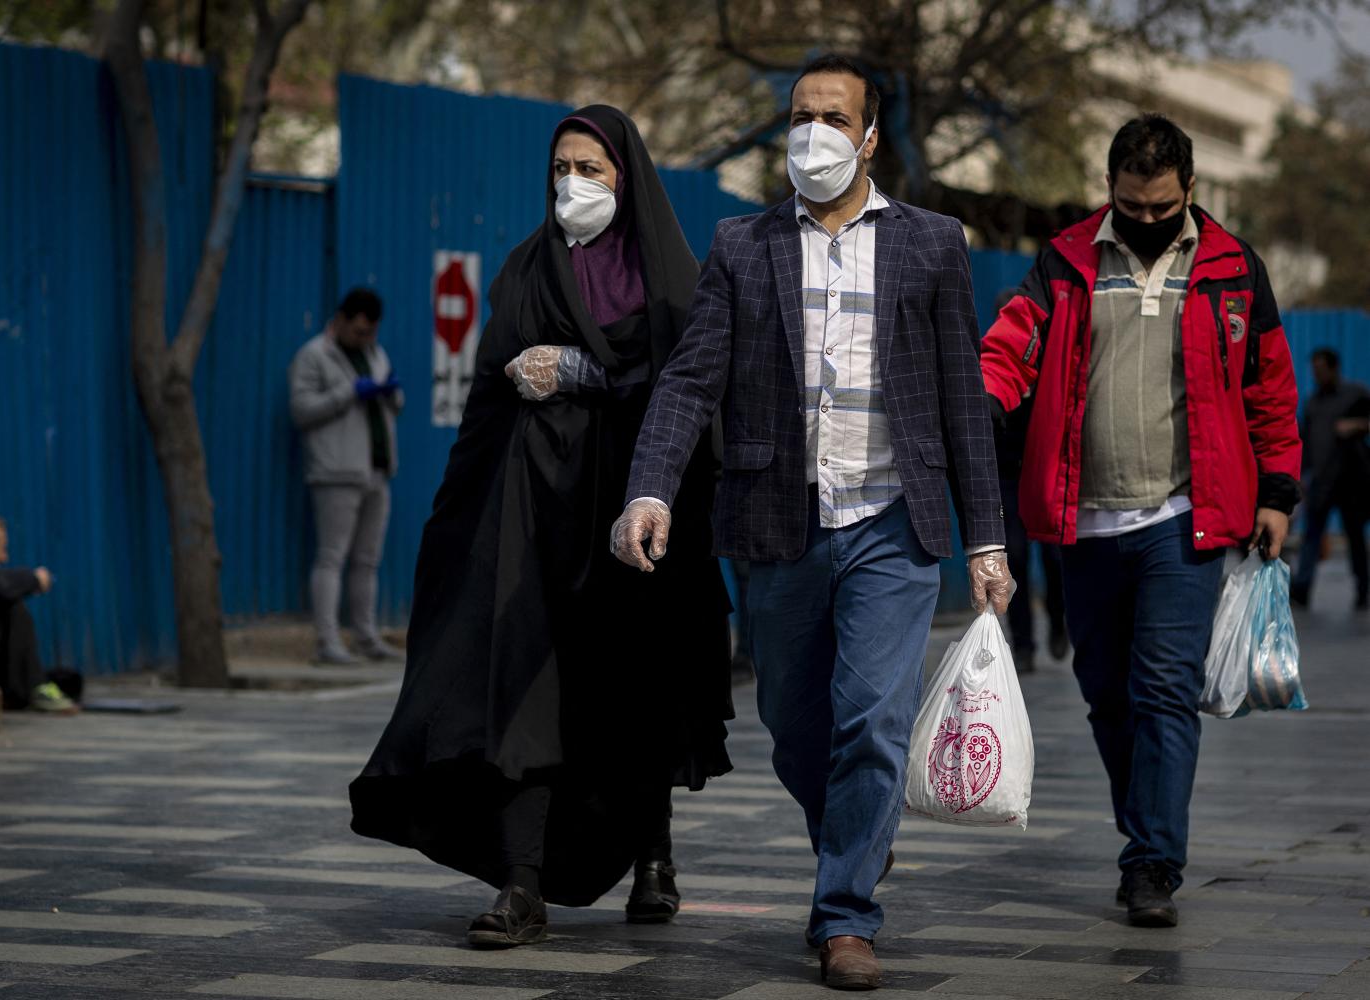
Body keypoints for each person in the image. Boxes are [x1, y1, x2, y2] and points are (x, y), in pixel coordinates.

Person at [613, 56, 1014, 992]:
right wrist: (651, 490)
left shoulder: (932, 243)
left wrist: (987, 539)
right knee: (796, 729)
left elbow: (963, 397)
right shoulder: (742, 244)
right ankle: (856, 836)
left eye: (834, 117)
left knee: (871, 720)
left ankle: (845, 917)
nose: (814, 134)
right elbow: (689, 378)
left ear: (871, 134)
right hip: (777, 520)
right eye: (800, 115)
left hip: (891, 521)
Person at [349, 106, 734, 949]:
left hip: (633, 516)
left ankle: (654, 857)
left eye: (592, 168)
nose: (573, 184)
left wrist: (587, 372)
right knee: (522, 683)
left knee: (633, 690)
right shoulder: (527, 267)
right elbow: (489, 392)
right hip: (530, 513)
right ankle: (521, 884)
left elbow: (689, 387)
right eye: (562, 166)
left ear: (625, 178)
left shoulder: (670, 273)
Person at [982, 114, 1301, 929]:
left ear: (1189, 190)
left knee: (1162, 691)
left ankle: (1153, 861)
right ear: (1111, 190)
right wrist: (979, 397)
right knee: (1105, 694)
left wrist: (1278, 493)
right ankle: (1145, 828)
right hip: (1081, 521)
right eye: (1131, 205)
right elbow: (1013, 344)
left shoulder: (1233, 267)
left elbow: (1269, 388)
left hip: (1183, 520)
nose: (1147, 220)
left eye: (1162, 208)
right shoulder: (1065, 260)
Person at [288, 288, 403, 665]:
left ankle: (366, 637)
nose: (364, 339)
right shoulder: (314, 356)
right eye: (358, 332)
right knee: (331, 557)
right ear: (339, 321)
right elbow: (302, 410)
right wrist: (349, 392)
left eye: (370, 332)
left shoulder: (374, 353)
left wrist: (389, 392)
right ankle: (328, 642)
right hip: (336, 471)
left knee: (368, 560)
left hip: (375, 469)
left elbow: (395, 406)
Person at [989, 288, 1068, 674]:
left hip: (1042, 476)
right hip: (1006, 478)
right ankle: (1023, 645)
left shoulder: (1051, 368)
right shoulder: (991, 368)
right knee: (1014, 560)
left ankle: (1058, 620)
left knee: (1055, 559)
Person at [1291, 347, 1370, 610]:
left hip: (1351, 482)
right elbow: (1305, 441)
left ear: (1334, 369)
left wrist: (1357, 425)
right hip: (1321, 483)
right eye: (1314, 370)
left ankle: (1363, 589)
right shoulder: (1314, 402)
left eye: (1321, 369)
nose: (1317, 375)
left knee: (1355, 537)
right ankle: (1302, 589)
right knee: (1311, 537)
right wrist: (1301, 475)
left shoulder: (1355, 394)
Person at [0, 512, 77, 713]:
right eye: (1, 549)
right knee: (11, 606)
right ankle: (33, 686)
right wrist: (33, 579)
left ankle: (30, 684)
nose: (4, 557)